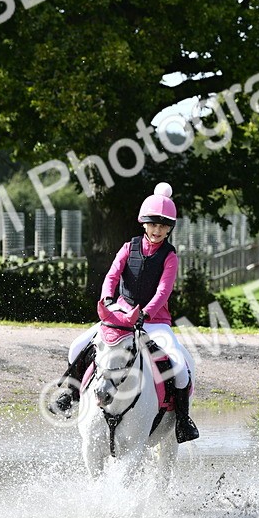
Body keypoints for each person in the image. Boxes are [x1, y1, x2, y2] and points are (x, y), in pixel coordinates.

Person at [49, 182, 199, 443]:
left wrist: (147, 314)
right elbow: (112, 276)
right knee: (77, 347)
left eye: (163, 226)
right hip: (120, 315)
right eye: (153, 224)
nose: (157, 230)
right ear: (144, 223)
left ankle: (183, 422)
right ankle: (71, 395)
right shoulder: (129, 247)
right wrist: (108, 299)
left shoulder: (170, 256)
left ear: (169, 229)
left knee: (179, 367)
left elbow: (164, 291)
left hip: (154, 322)